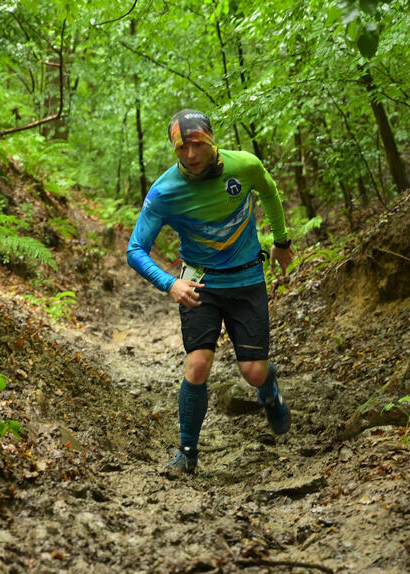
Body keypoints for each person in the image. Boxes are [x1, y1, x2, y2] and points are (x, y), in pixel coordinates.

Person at [126, 109, 294, 475]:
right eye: (181, 148)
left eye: (196, 144)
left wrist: (281, 240)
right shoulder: (165, 191)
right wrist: (170, 282)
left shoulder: (244, 166)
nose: (190, 155)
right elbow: (135, 250)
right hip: (199, 284)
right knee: (198, 364)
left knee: (252, 371)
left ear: (210, 140)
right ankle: (187, 452)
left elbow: (269, 190)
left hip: (247, 280)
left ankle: (268, 388)